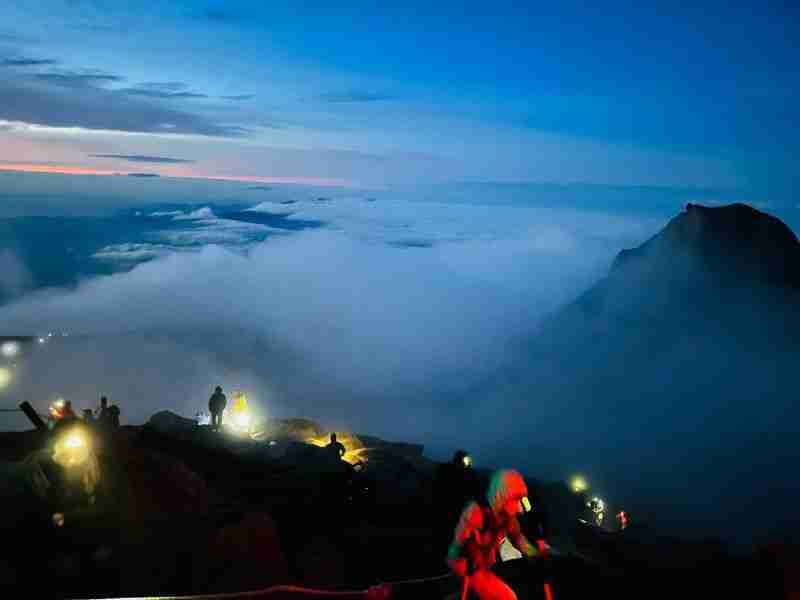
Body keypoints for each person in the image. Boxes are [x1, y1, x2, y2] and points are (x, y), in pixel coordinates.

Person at [447, 469, 540, 600]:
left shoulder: (508, 519)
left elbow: (519, 540)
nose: (519, 508)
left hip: (485, 567)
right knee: (507, 597)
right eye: (516, 499)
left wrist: (537, 554)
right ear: (503, 495)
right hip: (464, 565)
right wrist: (472, 550)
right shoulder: (476, 511)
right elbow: (463, 543)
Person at [433, 449, 481, 554]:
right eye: (465, 460)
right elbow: (438, 487)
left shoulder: (469, 475)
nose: (467, 462)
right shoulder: (447, 470)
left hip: (460, 510)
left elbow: (475, 491)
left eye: (468, 461)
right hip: (446, 508)